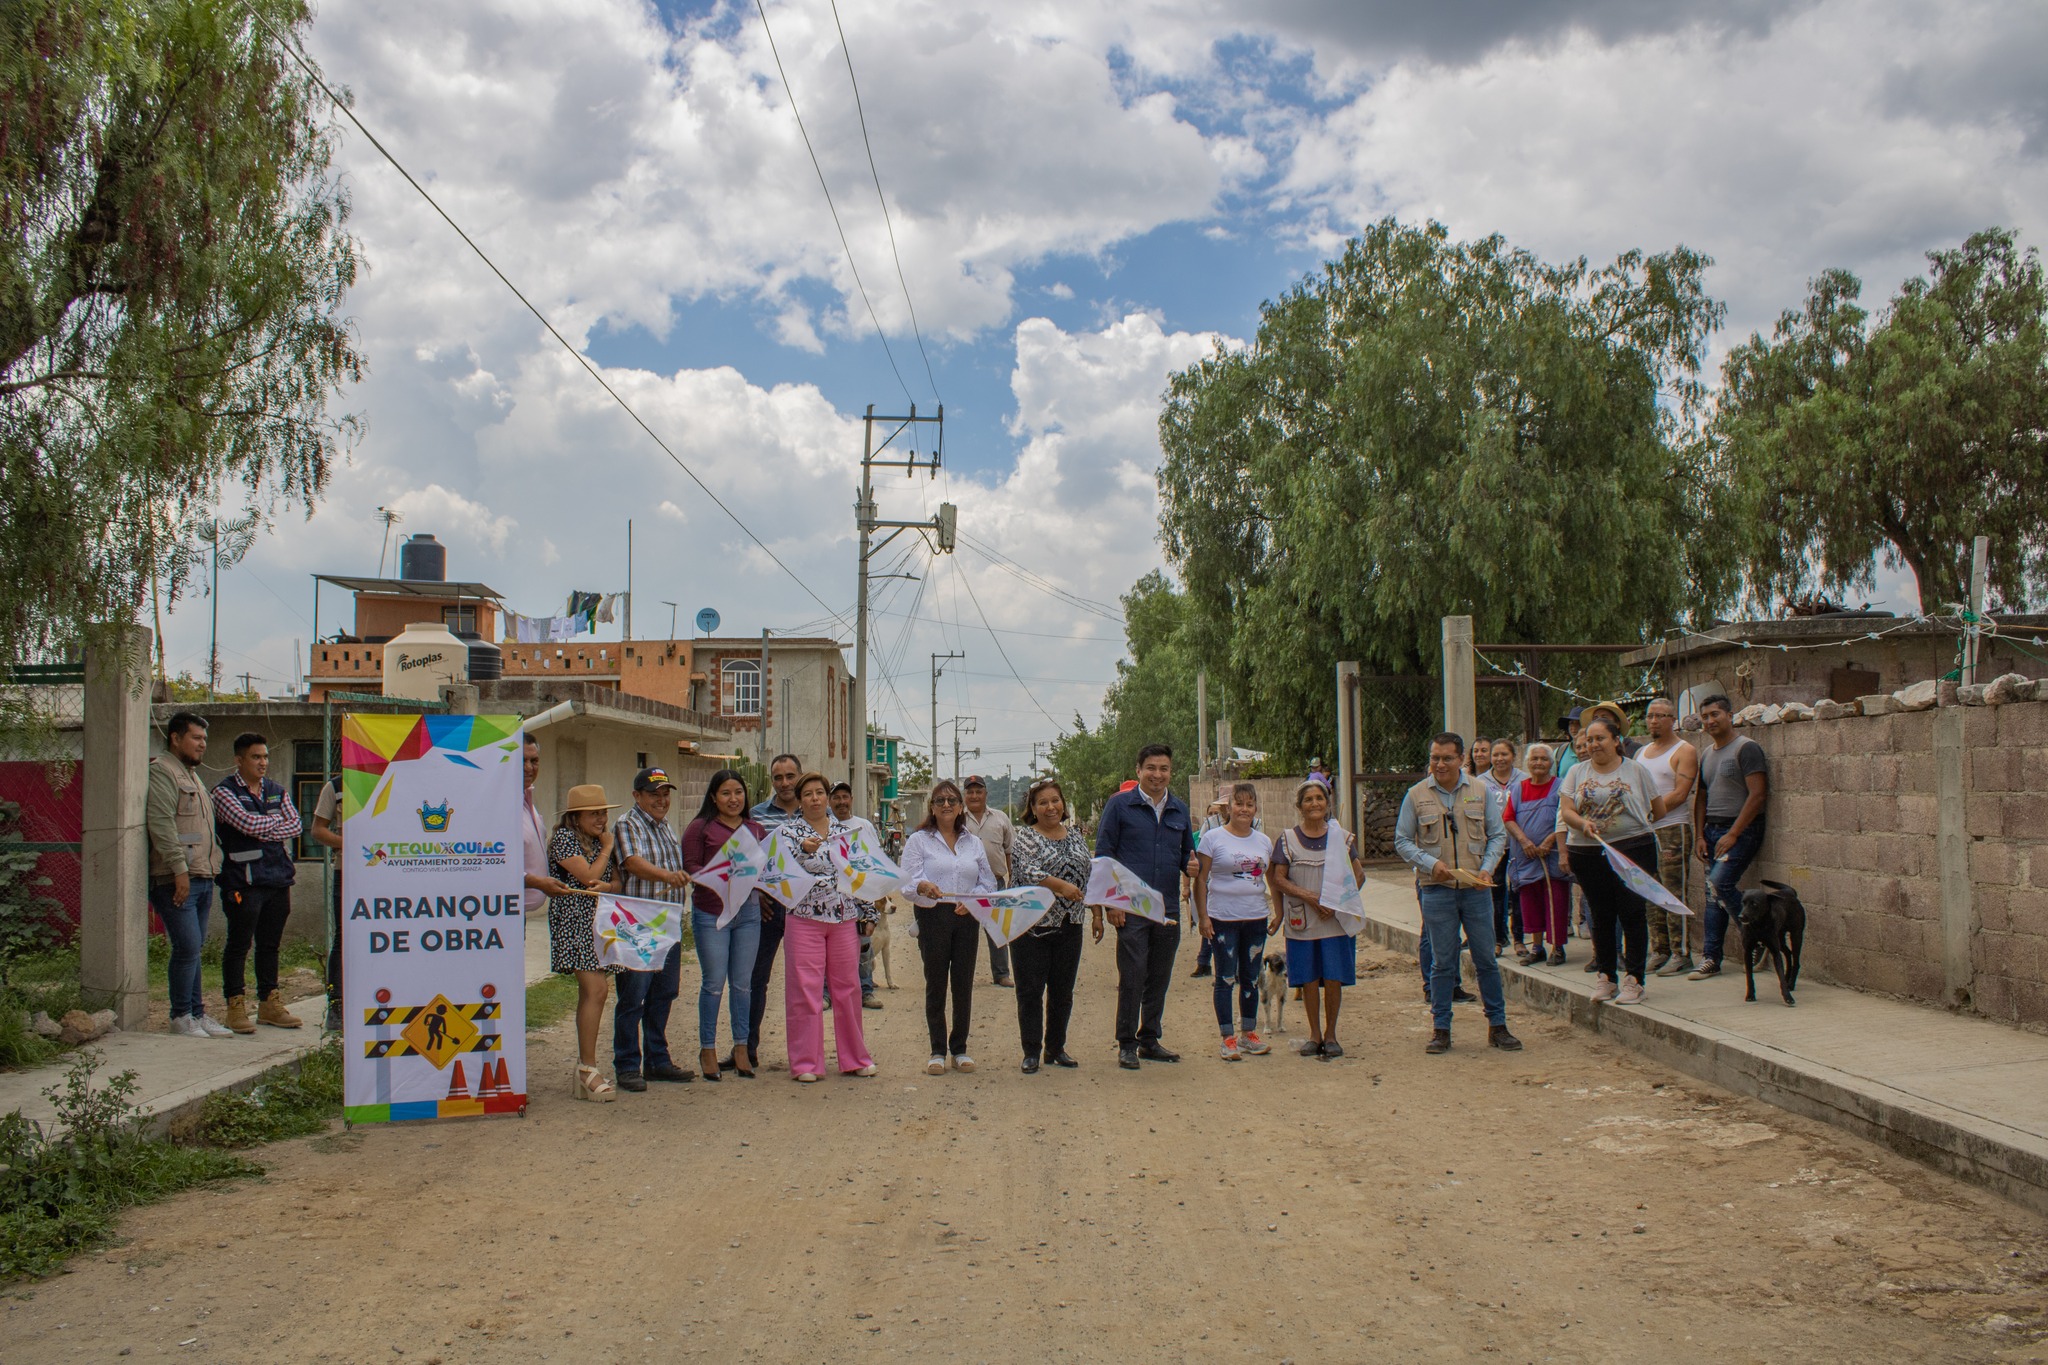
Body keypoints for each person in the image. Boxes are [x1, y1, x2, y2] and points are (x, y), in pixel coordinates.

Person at [1395, 732, 1522, 1055]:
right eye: (1435, 757)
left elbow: (1497, 835)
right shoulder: (1416, 795)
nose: (1440, 764)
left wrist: (1487, 868)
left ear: (1462, 759)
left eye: (1447, 758)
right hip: (1436, 889)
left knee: (1486, 960)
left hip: (1476, 890)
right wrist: (1429, 862)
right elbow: (1403, 840)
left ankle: (1497, 1025)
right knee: (1442, 962)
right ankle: (1441, 1029)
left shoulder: (1480, 791)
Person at [1559, 714, 1684, 1006]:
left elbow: (1658, 809)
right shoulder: (1576, 772)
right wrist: (1583, 824)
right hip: (1588, 851)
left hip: (1632, 851)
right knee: (1601, 916)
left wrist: (1631, 826)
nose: (1593, 745)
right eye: (1589, 740)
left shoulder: (1636, 770)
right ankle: (1606, 977)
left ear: (1617, 741)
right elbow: (1566, 811)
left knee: (1632, 913)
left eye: (1600, 738)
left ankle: (1634, 980)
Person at [1095, 744, 1197, 1070]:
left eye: (1164, 768)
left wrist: (1190, 866)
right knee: (1133, 975)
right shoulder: (1120, 806)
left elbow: (1186, 855)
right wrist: (1111, 904)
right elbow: (1104, 856)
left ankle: (1150, 1038)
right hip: (1130, 907)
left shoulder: (1179, 810)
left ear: (1171, 772)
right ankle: (1127, 1043)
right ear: (1138, 770)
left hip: (1166, 909)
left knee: (1159, 975)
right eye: (1151, 768)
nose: (1157, 774)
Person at [776, 772, 877, 1083]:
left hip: (844, 918)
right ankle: (806, 1063)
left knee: (848, 988)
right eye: (808, 794)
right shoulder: (787, 832)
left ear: (828, 797)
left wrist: (868, 911)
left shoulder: (847, 832)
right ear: (800, 799)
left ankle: (855, 1058)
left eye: (820, 793)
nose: (815, 799)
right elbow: (778, 872)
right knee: (805, 991)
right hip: (803, 918)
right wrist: (803, 850)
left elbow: (863, 873)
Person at [901, 780, 997, 1075]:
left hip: (966, 916)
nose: (946, 805)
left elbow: (988, 883)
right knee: (936, 983)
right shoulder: (919, 840)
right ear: (932, 806)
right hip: (934, 916)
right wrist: (923, 886)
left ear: (960, 807)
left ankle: (960, 1048)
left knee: (963, 984)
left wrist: (974, 901)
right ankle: (937, 1050)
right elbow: (906, 882)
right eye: (940, 800)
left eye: (952, 801)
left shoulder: (973, 843)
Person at [211, 732, 303, 1034]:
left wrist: (265, 827)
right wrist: (275, 825)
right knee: (239, 945)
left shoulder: (275, 790)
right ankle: (235, 1005)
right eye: (256, 757)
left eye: (265, 757)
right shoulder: (224, 793)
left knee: (270, 945)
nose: (263, 762)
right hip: (243, 882)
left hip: (277, 879)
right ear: (239, 760)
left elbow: (296, 824)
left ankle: (269, 1003)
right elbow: (244, 824)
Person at [610, 767, 695, 1091]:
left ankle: (658, 1060)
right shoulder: (627, 824)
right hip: (638, 926)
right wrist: (666, 876)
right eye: (653, 795)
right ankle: (628, 1064)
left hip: (668, 924)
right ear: (637, 796)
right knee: (634, 996)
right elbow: (631, 862)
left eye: (664, 795)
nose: (661, 801)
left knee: (664, 994)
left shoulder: (666, 829)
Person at [146, 713, 230, 1038]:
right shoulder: (163, 772)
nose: (202, 744)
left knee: (194, 948)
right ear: (176, 738)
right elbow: (162, 824)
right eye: (195, 738)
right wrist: (179, 869)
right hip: (176, 878)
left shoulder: (193, 776)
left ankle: (197, 1013)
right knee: (187, 946)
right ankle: (180, 1016)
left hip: (202, 876)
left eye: (204, 739)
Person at [1268, 779, 1364, 1058]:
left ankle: (1331, 1035)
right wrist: (1310, 897)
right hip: (1302, 920)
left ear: (1327, 803)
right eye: (1308, 799)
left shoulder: (1341, 838)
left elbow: (1359, 874)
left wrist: (1337, 903)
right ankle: (1314, 1034)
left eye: (1319, 798)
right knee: (1308, 978)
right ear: (1299, 806)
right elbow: (1278, 879)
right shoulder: (1287, 839)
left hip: (1334, 920)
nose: (1314, 804)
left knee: (1333, 976)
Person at [683, 769, 767, 1080]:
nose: (733, 799)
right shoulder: (699, 828)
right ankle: (708, 1048)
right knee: (714, 984)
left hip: (748, 915)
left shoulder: (755, 828)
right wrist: (719, 877)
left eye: (738, 793)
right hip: (711, 915)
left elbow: (769, 864)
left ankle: (741, 1048)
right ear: (713, 797)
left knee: (743, 985)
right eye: (726, 793)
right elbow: (691, 866)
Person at [1009, 777, 1091, 1072]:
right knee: (1030, 991)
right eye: (1042, 802)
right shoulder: (1025, 837)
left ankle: (1056, 1048)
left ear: (1063, 804)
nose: (1050, 807)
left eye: (1055, 800)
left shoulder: (1075, 836)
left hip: (1070, 923)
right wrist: (1062, 887)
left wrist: (1097, 911)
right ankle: (1031, 1050)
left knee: (1062, 992)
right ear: (1032, 808)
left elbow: (1089, 873)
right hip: (1031, 927)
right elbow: (1028, 871)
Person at [548, 784, 625, 1101]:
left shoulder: (600, 840)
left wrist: (607, 883)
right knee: (596, 989)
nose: (601, 818)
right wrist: (606, 851)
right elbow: (588, 878)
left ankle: (586, 1068)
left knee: (595, 991)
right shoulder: (565, 841)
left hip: (599, 921)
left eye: (603, 812)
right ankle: (587, 1069)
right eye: (594, 813)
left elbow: (613, 882)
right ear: (575, 817)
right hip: (574, 920)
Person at [1193, 782, 1275, 1062]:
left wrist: (1280, 913)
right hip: (1223, 918)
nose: (1244, 809)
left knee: (1251, 978)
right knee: (1225, 978)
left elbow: (1271, 878)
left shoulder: (1263, 841)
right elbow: (1201, 879)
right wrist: (1203, 917)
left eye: (1249, 804)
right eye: (1238, 804)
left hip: (1255, 917)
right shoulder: (1213, 838)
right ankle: (1227, 1038)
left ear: (1255, 808)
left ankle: (1248, 1034)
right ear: (1229, 808)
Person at [1690, 694, 1769, 982]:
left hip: (1741, 830)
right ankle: (1711, 958)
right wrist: (1699, 835)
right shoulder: (1706, 754)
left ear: (1729, 715)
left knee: (1720, 882)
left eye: (1715, 715)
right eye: (1705, 717)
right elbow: (1701, 797)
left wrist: (1734, 833)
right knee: (1713, 896)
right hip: (1711, 831)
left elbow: (1758, 794)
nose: (1710, 721)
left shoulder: (1747, 749)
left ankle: (1757, 935)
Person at [745, 753, 804, 1061]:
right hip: (767, 910)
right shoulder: (755, 816)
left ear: (800, 776)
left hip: (806, 912)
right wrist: (757, 891)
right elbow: (746, 861)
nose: (784, 783)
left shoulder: (816, 814)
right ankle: (746, 1048)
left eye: (790, 776)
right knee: (756, 980)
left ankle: (805, 1054)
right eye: (778, 777)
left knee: (804, 985)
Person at [1637, 698, 1701, 977]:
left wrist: (1651, 814)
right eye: (1650, 716)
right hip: (1644, 830)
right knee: (1650, 891)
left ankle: (1681, 951)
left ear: (1672, 719)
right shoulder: (1641, 753)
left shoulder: (1684, 750)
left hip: (1671, 828)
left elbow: (1679, 793)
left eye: (1660, 716)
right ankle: (1660, 949)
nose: (1654, 721)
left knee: (1674, 890)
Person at [1503, 744, 1571, 966]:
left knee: (1556, 900)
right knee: (1530, 902)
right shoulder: (1518, 789)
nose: (1539, 763)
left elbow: (1565, 818)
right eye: (1534, 759)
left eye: (1543, 759)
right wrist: (1525, 841)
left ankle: (1558, 948)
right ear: (1527, 763)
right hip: (1527, 854)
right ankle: (1537, 947)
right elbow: (1508, 818)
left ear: (1551, 763)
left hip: (1551, 854)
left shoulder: (1561, 787)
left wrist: (1549, 841)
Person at [828, 782, 884, 1010]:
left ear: (851, 798)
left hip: (860, 895)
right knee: (828, 949)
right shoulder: (825, 827)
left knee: (863, 945)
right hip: (831, 899)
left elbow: (876, 860)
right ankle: (826, 993)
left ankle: (866, 990)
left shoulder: (864, 826)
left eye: (845, 797)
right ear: (829, 801)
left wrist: (876, 894)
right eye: (836, 798)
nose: (841, 802)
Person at [963, 776, 1016, 988]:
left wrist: (1013, 879)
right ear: (964, 795)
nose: (974, 796)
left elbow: (1010, 851)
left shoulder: (1001, 818)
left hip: (995, 884)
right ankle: (964, 975)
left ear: (986, 793)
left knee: (998, 930)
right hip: (966, 887)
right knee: (966, 933)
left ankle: (1001, 973)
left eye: (979, 791)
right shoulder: (958, 818)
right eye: (970, 792)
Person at [1478, 738, 1527, 952]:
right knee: (1495, 892)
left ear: (1513, 756)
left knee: (1518, 890)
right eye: (1495, 755)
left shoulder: (1524, 779)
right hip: (1493, 846)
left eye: (1504, 754)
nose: (1499, 759)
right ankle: (1498, 939)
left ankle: (1519, 939)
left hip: (1519, 844)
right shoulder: (1480, 782)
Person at [309, 773, 346, 1032]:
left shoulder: (398, 780)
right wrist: (350, 844)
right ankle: (337, 1006)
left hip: (390, 873)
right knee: (344, 938)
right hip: (348, 871)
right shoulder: (336, 786)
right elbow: (318, 830)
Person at [1189, 797, 1231, 979]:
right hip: (1212, 883)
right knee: (1210, 923)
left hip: (1234, 886)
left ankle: (1224, 967)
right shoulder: (1210, 826)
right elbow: (1201, 852)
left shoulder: (1250, 825)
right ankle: (1206, 963)